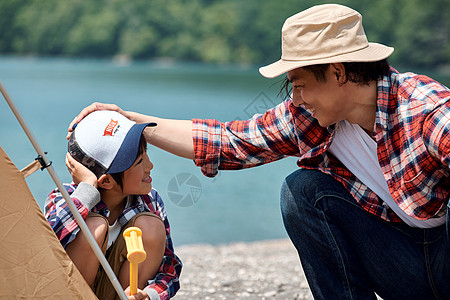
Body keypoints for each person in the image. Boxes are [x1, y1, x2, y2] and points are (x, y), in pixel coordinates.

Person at [67, 4, 449, 299]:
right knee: (302, 191)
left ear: (337, 72)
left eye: (299, 83)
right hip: (402, 265)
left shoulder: (427, 112)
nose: (295, 96)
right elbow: (226, 142)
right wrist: (130, 119)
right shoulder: (311, 117)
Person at [46, 110, 182, 300]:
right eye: (139, 161)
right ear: (106, 181)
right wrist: (87, 189)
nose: (150, 166)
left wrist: (149, 295)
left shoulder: (150, 200)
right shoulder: (66, 198)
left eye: (146, 154)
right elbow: (43, 250)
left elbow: (169, 268)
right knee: (94, 227)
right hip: (71, 292)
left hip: (120, 294)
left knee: (150, 226)